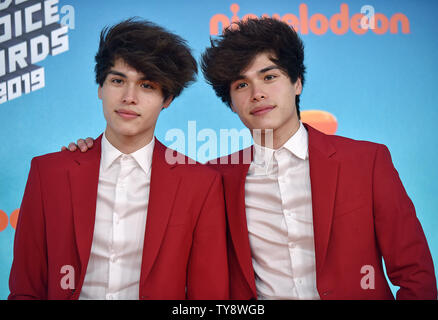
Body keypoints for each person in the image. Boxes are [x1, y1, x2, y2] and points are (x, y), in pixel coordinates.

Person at [66, 18, 437, 300]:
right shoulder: (214, 180)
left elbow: (416, 274)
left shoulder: (366, 161)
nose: (257, 93)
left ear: (296, 83)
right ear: (231, 101)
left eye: (269, 76)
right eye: (242, 85)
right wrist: (87, 154)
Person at [9, 19, 229, 300]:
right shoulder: (48, 173)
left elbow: (208, 297)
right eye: (117, 81)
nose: (129, 97)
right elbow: (25, 290)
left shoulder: (200, 184)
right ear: (100, 87)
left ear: (167, 98)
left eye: (147, 86)